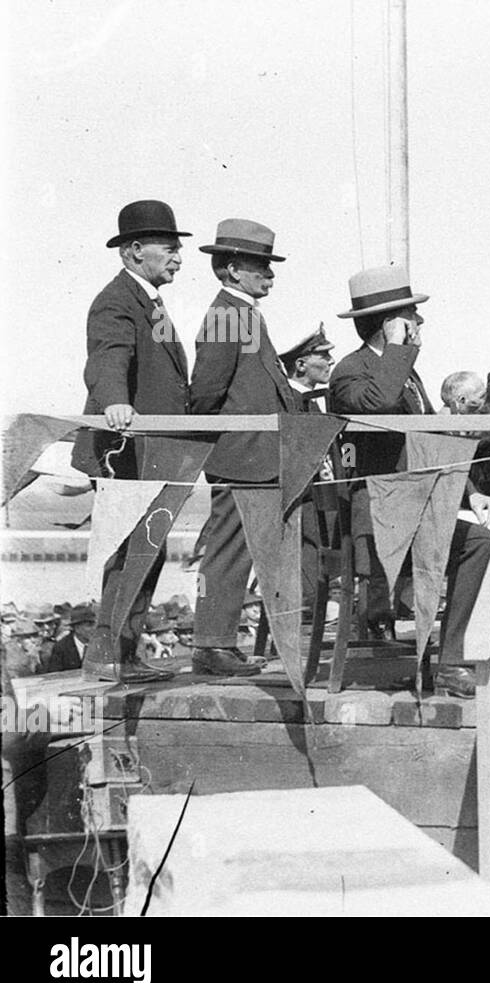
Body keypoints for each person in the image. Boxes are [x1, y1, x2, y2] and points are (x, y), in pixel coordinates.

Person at [328, 265, 490, 699]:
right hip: (379, 516)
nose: (420, 324)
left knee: (479, 542)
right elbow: (380, 405)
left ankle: (450, 660)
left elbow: (427, 445)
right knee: (463, 548)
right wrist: (400, 350)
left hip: (415, 506)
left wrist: (471, 493)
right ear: (389, 324)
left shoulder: (406, 374)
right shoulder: (350, 373)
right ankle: (439, 658)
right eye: (411, 317)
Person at [73, 200, 191, 683]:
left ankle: (118, 651)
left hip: (156, 451)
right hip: (128, 449)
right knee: (129, 548)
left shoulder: (151, 303)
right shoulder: (117, 300)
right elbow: (108, 357)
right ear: (136, 250)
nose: (179, 257)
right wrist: (115, 402)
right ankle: (106, 655)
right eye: (170, 247)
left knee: (148, 548)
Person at [189, 219, 297, 676]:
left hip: (259, 454)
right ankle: (211, 645)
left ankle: (220, 643)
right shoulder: (226, 315)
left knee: (241, 550)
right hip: (241, 455)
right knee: (229, 550)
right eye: (260, 267)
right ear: (233, 270)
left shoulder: (242, 312)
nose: (270, 276)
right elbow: (206, 391)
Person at [279, 325, 338, 616]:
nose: (331, 362)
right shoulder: (286, 400)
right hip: (299, 499)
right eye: (324, 356)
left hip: (321, 497)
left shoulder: (317, 402)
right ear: (301, 364)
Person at [43, 605, 97, 673]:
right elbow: (54, 676)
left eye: (94, 624)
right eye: (89, 625)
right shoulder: (61, 648)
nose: (94, 629)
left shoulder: (100, 645)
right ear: (77, 628)